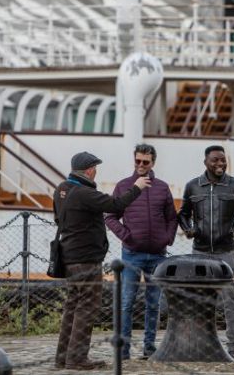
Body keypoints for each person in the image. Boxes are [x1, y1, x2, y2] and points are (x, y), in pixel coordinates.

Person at [53, 151, 151, 371]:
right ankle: (77, 358)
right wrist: (137, 187)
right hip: (86, 258)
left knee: (72, 307)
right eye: (95, 167)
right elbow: (116, 205)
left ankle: (62, 357)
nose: (96, 171)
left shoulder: (61, 189)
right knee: (87, 307)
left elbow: (58, 218)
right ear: (88, 170)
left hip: (69, 257)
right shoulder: (83, 192)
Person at [178, 145, 234, 361]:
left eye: (223, 160)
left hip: (227, 252)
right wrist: (188, 229)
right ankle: (200, 345)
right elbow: (183, 214)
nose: (220, 164)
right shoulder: (192, 186)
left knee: (230, 300)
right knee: (199, 300)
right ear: (205, 161)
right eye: (215, 160)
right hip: (200, 251)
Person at [105, 143, 177, 360]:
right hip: (131, 255)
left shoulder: (162, 188)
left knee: (153, 303)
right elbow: (110, 216)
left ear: (153, 163)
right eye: (137, 161)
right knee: (126, 301)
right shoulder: (123, 186)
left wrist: (167, 238)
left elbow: (172, 218)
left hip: (157, 255)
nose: (141, 165)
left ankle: (149, 348)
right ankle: (124, 350)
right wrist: (127, 236)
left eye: (145, 162)